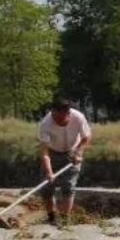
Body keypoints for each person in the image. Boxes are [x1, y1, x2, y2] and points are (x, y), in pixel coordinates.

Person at [38, 97, 92, 227]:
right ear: (53, 112)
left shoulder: (78, 117)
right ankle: (51, 218)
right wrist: (49, 172)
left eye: (63, 118)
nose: (60, 121)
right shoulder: (45, 124)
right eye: (57, 118)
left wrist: (79, 151)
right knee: (47, 188)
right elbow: (44, 152)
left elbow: (87, 137)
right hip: (52, 152)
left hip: (73, 151)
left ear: (68, 112)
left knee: (68, 186)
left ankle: (65, 220)